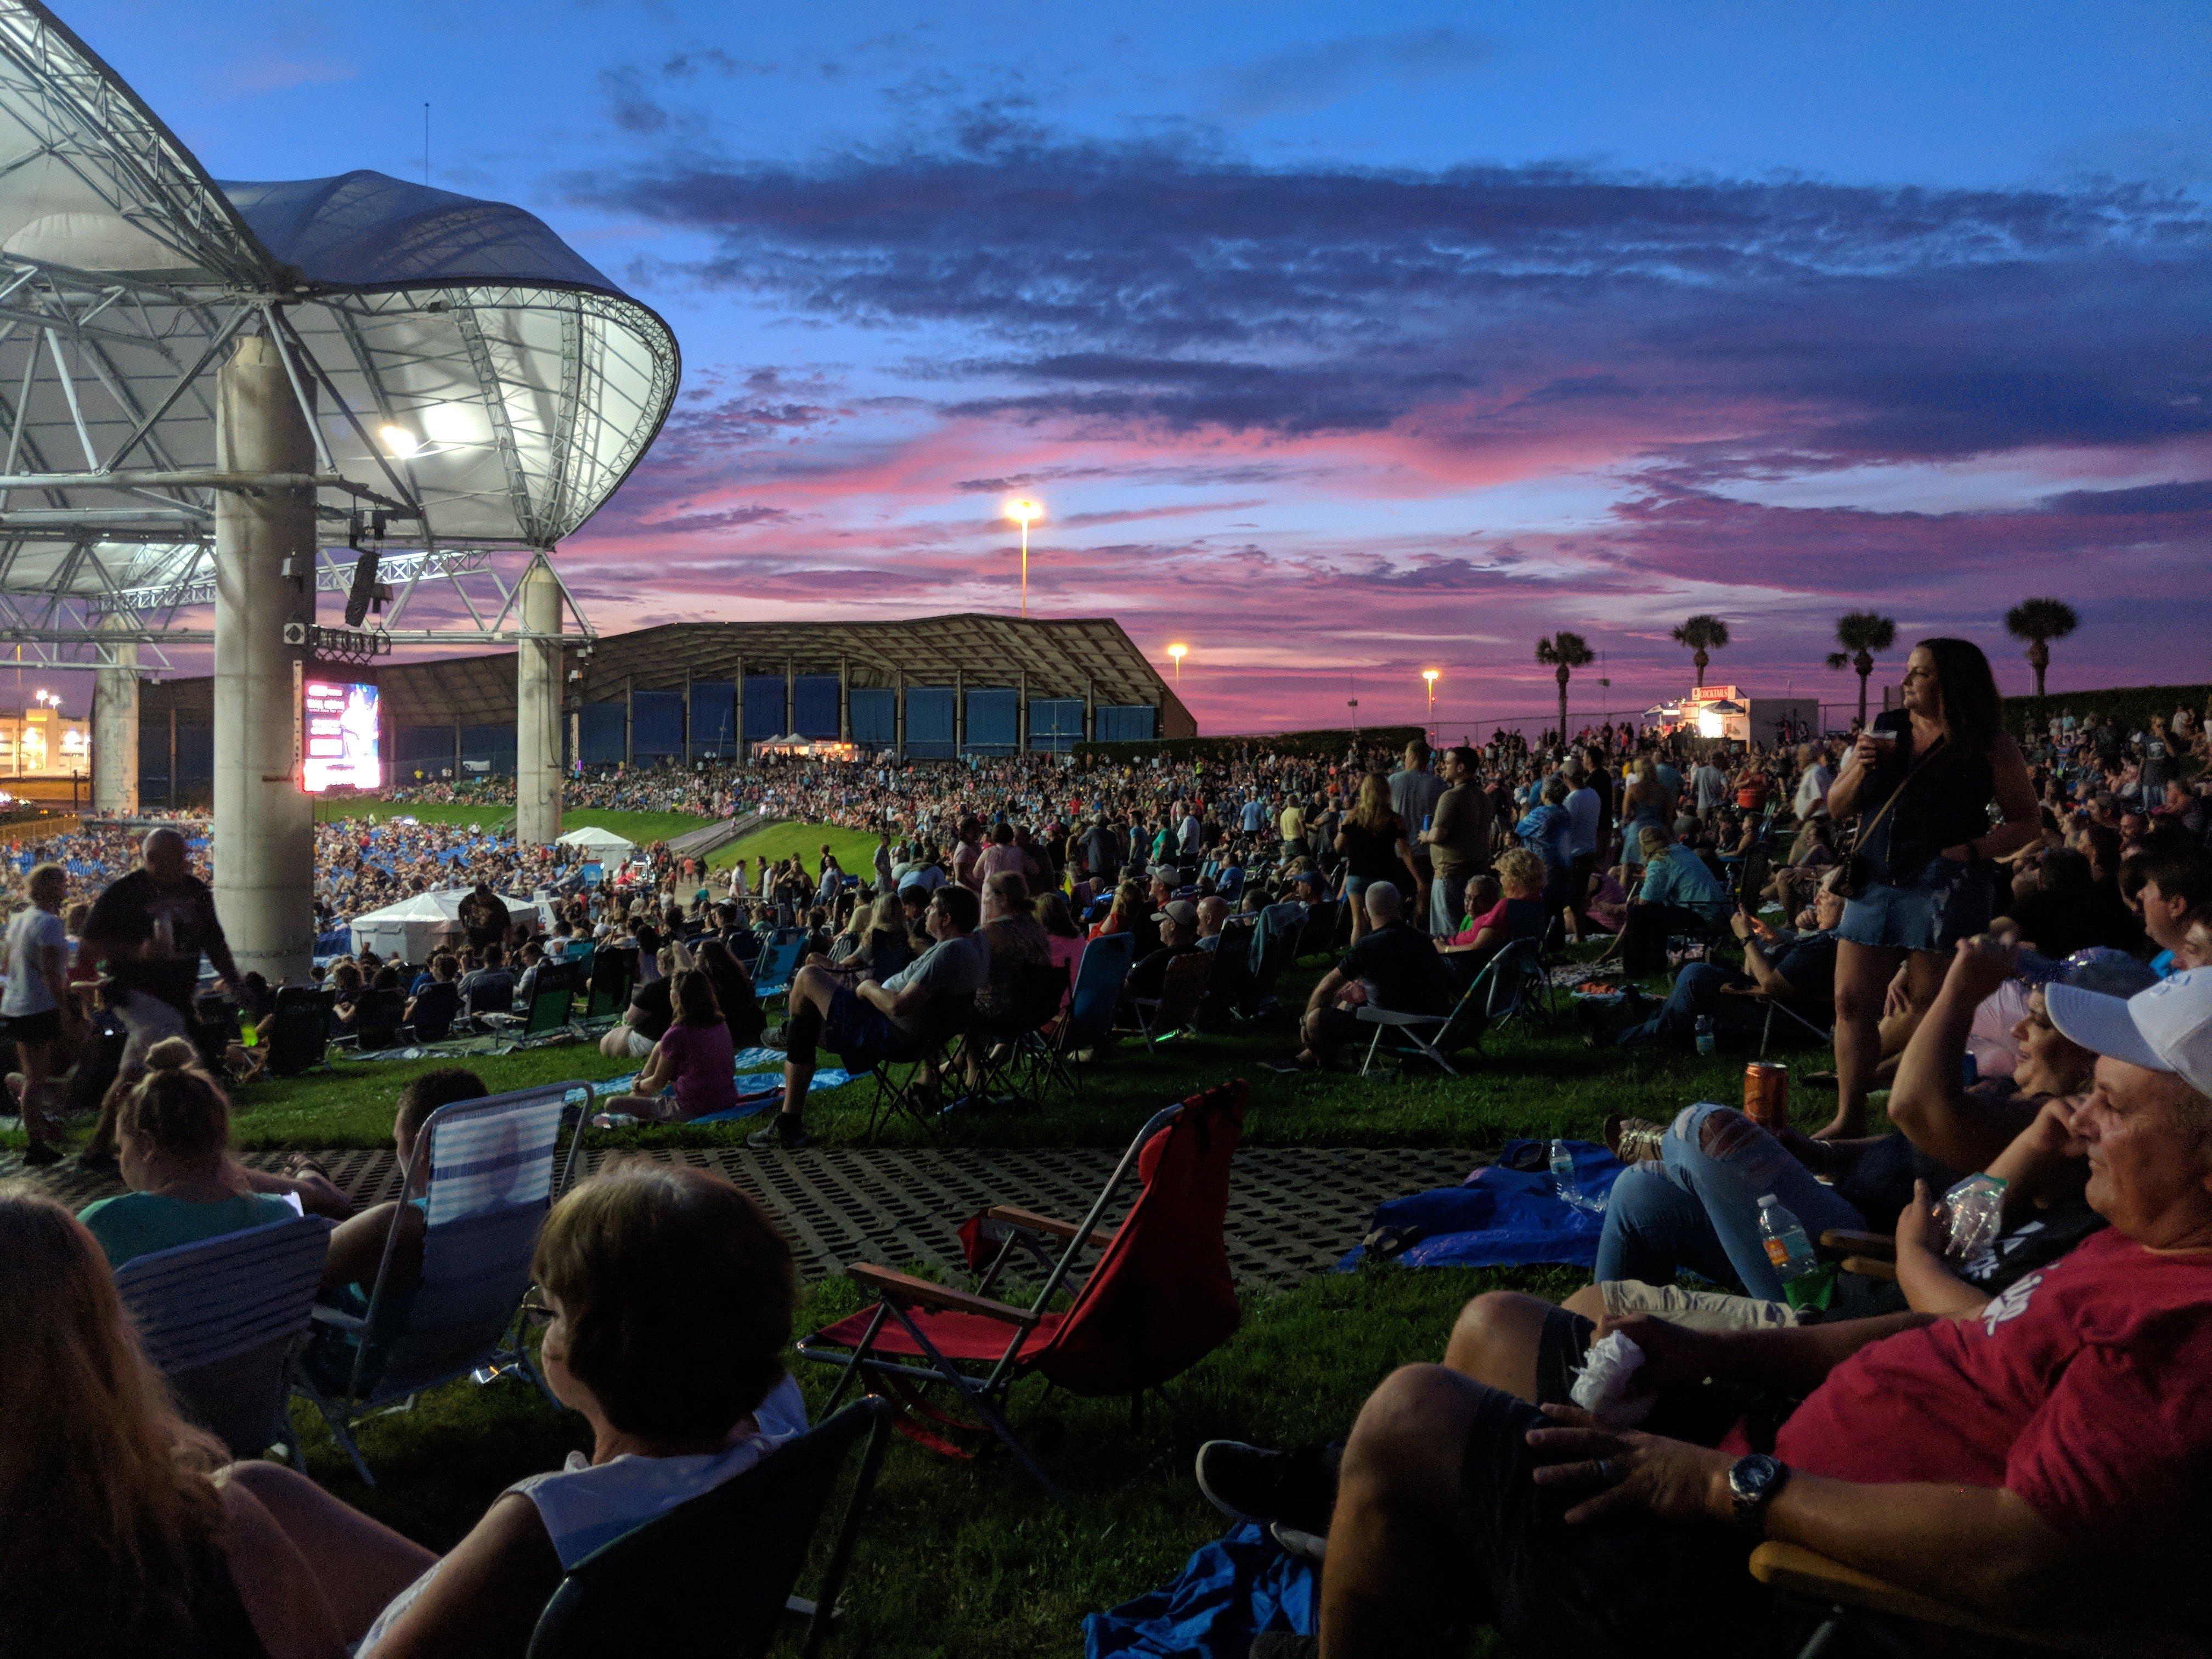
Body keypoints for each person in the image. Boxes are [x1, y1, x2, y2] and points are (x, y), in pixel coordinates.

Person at [1208, 965, 2212, 1658]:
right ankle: (1377, 1554)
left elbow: (2023, 1554)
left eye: (2111, 1104)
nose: (2077, 1114)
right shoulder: (2132, 1239)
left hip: (1786, 1574)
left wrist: (1726, 1484)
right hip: (1774, 1440)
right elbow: (1953, 1329)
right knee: (1499, 1322)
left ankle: (1378, 1537)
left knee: (1411, 1413)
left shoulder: (2181, 1327)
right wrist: (1706, 1351)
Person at [220, 1165, 809, 1656]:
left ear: (593, 1349)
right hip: (560, 1617)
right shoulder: (780, 1431)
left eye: (548, 1312)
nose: (541, 1325)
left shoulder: (543, 1524)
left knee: (229, 1517)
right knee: (254, 1485)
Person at [1825, 639, 2041, 1136]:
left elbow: (2026, 821)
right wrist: (1859, 764)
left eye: (1919, 673)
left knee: (1932, 1008)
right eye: (1908, 671)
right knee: (1851, 1001)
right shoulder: (1884, 731)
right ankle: (1850, 1116)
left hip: (1946, 886)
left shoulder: (1989, 744)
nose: (1905, 681)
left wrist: (1972, 850)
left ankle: (1924, 1114)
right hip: (1876, 876)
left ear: (1952, 684)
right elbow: (1837, 808)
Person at [749, 884, 989, 1151]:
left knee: (808, 977)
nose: (926, 911)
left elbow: (899, 1005)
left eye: (932, 907)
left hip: (891, 1034)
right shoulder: (974, 946)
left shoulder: (949, 952)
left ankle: (788, 1114)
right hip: (919, 1035)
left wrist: (868, 988)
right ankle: (791, 1053)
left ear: (946, 919)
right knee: (804, 1023)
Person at [75, 827, 243, 1170]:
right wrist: (138, 952)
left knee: (131, 1074)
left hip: (175, 995)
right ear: (151, 859)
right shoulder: (125, 894)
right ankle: (194, 1146)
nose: (185, 862)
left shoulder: (195, 892)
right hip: (136, 992)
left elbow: (215, 942)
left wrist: (235, 982)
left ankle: (97, 1150)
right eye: (176, 857)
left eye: (185, 855)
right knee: (181, 1054)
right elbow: (88, 947)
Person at [74, 1039, 300, 1271]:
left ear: (146, 1146)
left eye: (121, 1148)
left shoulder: (102, 1225)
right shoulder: (278, 1216)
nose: (121, 1159)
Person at [1612, 868, 1844, 1049]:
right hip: (1769, 998)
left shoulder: (1827, 945)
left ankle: (1632, 1034)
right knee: (1696, 977)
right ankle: (1649, 1018)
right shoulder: (1829, 938)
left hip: (1785, 1016)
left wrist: (1746, 939)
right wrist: (1778, 935)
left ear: (1846, 909)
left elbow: (1773, 986)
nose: (1815, 902)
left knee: (1695, 976)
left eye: (1824, 897)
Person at [318, 1068, 490, 1299]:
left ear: (424, 1149)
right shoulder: (515, 1214)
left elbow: (295, 1274)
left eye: (398, 1141)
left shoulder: (393, 1226)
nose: (397, 1152)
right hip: (476, 1332)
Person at [1294, 883, 1457, 1068]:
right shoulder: (1423, 940)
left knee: (1316, 1018)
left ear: (1365, 913)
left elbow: (1326, 988)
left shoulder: (1369, 945)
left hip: (1396, 1031)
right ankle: (1307, 1056)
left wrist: (1305, 1023)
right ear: (1401, 908)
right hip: (1433, 1029)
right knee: (1348, 1000)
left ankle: (1326, 1062)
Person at [3, 862, 80, 1165]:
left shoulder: (19, 919)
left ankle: (39, 1128)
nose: (66, 889)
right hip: (37, 1006)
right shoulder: (49, 924)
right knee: (37, 1078)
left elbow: (8, 965)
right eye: (62, 884)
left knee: (35, 1075)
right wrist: (65, 1011)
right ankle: (36, 1145)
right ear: (51, 888)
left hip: (15, 1004)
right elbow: (51, 974)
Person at [601, 969, 737, 1124]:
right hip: (727, 1100)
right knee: (659, 1046)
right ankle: (635, 1098)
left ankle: (633, 1099)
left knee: (612, 1104)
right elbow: (732, 1067)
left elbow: (658, 1082)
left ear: (677, 997)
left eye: (672, 989)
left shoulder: (676, 1034)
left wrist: (638, 1084)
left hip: (691, 1109)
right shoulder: (720, 1024)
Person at [1336, 774, 1420, 944]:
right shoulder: (1395, 820)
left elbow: (1338, 846)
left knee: (1358, 924)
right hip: (1385, 876)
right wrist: (1418, 878)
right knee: (1386, 923)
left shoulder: (1353, 816)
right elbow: (1405, 852)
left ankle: (1359, 963)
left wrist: (1345, 831)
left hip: (1358, 874)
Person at [1419, 745, 1493, 937]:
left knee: (1449, 934)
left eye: (1448, 762)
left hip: (1450, 874)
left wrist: (1424, 836)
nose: (1443, 766)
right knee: (1471, 930)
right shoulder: (1483, 797)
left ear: (1461, 767)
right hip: (1477, 871)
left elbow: (1437, 835)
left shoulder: (1451, 797)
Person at [597, 943, 678, 1059]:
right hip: (682, 1037)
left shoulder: (657, 987)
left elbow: (631, 1018)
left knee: (608, 1042)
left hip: (654, 1040)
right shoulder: (695, 981)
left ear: (664, 965)